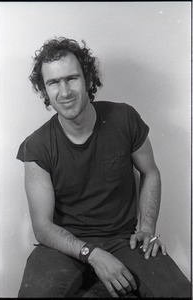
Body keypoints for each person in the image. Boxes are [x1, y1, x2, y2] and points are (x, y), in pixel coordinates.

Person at [16, 36, 191, 298]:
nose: (64, 92)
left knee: (179, 292)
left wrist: (147, 228)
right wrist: (92, 254)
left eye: (71, 78)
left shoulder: (125, 118)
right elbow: (42, 228)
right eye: (53, 82)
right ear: (44, 90)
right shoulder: (36, 146)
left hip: (123, 240)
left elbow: (150, 172)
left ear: (87, 79)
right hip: (62, 247)